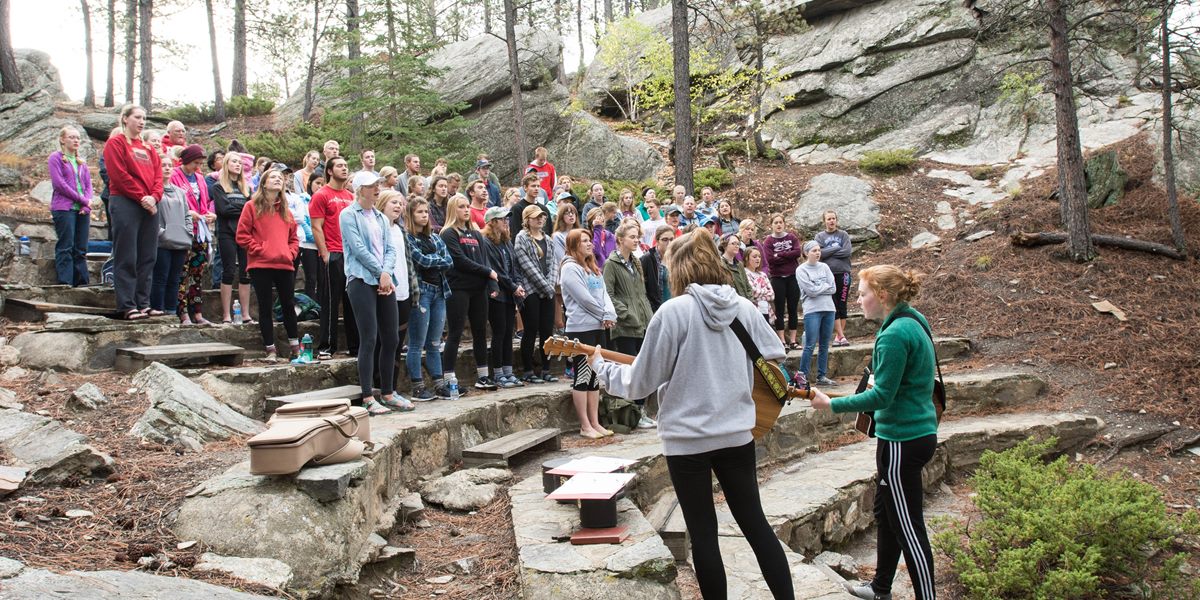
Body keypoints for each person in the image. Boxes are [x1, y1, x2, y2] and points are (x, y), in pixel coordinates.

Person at [588, 229, 794, 600]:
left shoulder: (673, 312)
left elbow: (638, 384)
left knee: (703, 533)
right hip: (736, 434)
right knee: (756, 526)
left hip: (686, 442)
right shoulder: (744, 308)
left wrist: (602, 368)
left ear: (678, 271)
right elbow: (774, 353)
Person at [809, 266, 938, 600]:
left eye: (863, 293)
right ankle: (881, 588)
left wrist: (831, 403)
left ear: (882, 296)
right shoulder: (913, 320)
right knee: (886, 511)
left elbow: (882, 396)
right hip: (912, 434)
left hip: (902, 441)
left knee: (908, 527)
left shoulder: (894, 335)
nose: (858, 299)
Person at [339, 172, 406, 415]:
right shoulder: (348, 215)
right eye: (371, 186)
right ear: (359, 190)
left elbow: (389, 249)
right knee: (369, 338)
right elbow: (357, 249)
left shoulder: (379, 216)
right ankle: (368, 396)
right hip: (361, 280)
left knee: (391, 338)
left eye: (377, 184)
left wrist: (386, 273)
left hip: (384, 279)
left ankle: (388, 392)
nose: (377, 189)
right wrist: (381, 274)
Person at [103, 105, 163, 320]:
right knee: (127, 254)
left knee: (148, 256)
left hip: (149, 205)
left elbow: (158, 177)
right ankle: (127, 305)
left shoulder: (149, 148)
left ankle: (143, 303)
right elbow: (119, 175)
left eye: (144, 118)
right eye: (137, 117)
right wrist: (141, 197)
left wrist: (154, 197)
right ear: (125, 119)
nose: (142, 121)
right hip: (125, 202)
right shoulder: (115, 143)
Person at [235, 169, 301, 362]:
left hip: (284, 264)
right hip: (260, 264)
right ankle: (270, 350)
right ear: (263, 183)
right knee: (265, 307)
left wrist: (290, 253)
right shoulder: (251, 206)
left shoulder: (286, 211)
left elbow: (294, 238)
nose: (278, 180)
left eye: (280, 178)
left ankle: (296, 349)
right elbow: (242, 235)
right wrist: (260, 250)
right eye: (273, 177)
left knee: (289, 305)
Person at [560, 229, 616, 439]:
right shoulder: (570, 268)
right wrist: (603, 314)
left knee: (594, 376)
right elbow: (583, 299)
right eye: (583, 241)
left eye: (588, 240)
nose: (589, 244)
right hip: (580, 328)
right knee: (582, 376)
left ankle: (595, 422)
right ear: (573, 245)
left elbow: (603, 294)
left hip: (599, 326)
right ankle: (584, 425)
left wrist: (610, 314)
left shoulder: (593, 267)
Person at [441, 194, 498, 393]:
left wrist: (492, 283)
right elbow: (459, 260)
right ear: (452, 210)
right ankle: (448, 377)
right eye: (461, 207)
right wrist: (487, 272)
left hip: (479, 289)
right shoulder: (448, 233)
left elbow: (484, 260)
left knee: (481, 332)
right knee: (455, 332)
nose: (466, 210)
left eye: (467, 206)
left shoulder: (475, 233)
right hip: (459, 288)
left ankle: (483, 376)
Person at [603, 221, 656, 429]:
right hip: (625, 326)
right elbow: (608, 294)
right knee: (629, 368)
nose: (636, 240)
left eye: (637, 237)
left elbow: (640, 293)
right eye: (632, 237)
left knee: (642, 368)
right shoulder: (611, 264)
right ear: (620, 239)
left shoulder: (636, 262)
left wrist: (647, 316)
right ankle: (631, 411)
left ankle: (641, 411)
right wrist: (626, 314)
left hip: (643, 323)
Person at [404, 198, 453, 402]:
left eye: (426, 212)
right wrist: (436, 261)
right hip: (421, 292)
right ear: (411, 215)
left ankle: (439, 384)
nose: (424, 215)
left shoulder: (434, 237)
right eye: (419, 212)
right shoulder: (407, 237)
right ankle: (417, 386)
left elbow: (449, 261)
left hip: (439, 292)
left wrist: (434, 261)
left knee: (434, 342)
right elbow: (420, 260)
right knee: (416, 343)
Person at [310, 156, 359, 358]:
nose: (344, 168)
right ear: (329, 171)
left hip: (351, 255)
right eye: (339, 166)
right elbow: (316, 226)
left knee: (353, 301)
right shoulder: (322, 195)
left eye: (346, 166)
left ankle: (355, 346)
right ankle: (327, 346)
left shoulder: (351, 196)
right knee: (331, 300)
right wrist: (325, 254)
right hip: (333, 253)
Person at [481, 206, 525, 389]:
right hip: (496, 294)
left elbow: (514, 267)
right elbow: (496, 271)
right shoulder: (486, 242)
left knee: (508, 333)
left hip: (509, 295)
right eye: (501, 219)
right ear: (492, 222)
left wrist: (518, 284)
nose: (506, 222)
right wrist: (514, 286)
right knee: (499, 333)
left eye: (507, 219)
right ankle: (498, 373)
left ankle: (508, 371)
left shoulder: (507, 242)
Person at [380, 189, 417, 396]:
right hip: (387, 290)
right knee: (386, 340)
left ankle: (392, 387)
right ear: (382, 204)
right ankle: (382, 386)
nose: (398, 206)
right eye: (393, 202)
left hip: (404, 290)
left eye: (400, 203)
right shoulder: (379, 227)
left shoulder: (401, 230)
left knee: (398, 342)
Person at [515, 205, 558, 384]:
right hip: (530, 289)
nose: (539, 219)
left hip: (547, 290)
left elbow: (554, 264)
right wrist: (546, 287)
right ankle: (528, 370)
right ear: (527, 220)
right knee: (531, 330)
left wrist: (550, 285)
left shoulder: (548, 239)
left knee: (547, 331)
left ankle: (546, 369)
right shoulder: (521, 238)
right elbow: (527, 267)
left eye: (541, 217)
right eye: (535, 217)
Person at [211, 151, 255, 324]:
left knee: (246, 272)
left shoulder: (247, 188)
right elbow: (223, 210)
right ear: (226, 164)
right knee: (228, 270)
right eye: (234, 161)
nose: (237, 164)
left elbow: (252, 209)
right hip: (226, 232)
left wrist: (240, 209)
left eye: (240, 162)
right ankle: (226, 315)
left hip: (245, 233)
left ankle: (245, 314)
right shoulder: (218, 187)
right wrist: (243, 209)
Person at [48, 126, 93, 287]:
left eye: (78, 138)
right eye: (72, 137)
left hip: (82, 209)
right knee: (66, 245)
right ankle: (65, 282)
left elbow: (88, 186)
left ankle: (81, 282)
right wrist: (82, 199)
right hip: (63, 208)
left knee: (81, 247)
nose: (76, 141)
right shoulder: (56, 158)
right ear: (62, 140)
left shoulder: (82, 163)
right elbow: (60, 184)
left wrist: (87, 204)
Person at [149, 162, 191, 316]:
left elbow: (187, 213)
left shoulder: (180, 192)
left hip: (180, 241)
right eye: (163, 165)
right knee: (161, 276)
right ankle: (158, 309)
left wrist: (188, 232)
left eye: (169, 165)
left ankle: (172, 311)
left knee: (175, 278)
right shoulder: (154, 191)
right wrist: (161, 232)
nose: (167, 168)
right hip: (162, 241)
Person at [797, 240, 838, 387]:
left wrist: (819, 287)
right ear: (806, 253)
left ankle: (822, 376)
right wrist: (823, 286)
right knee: (810, 344)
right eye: (814, 250)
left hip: (829, 308)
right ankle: (802, 376)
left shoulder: (825, 267)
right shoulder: (801, 270)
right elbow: (810, 291)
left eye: (819, 250)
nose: (817, 253)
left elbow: (833, 288)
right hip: (812, 310)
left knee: (825, 344)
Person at [762, 214, 803, 349]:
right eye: (775, 222)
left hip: (792, 277)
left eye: (780, 222)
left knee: (793, 309)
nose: (778, 225)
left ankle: (792, 340)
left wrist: (779, 254)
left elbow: (797, 252)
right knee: (779, 309)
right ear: (771, 225)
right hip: (777, 278)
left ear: (784, 223)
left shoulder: (791, 237)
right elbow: (770, 259)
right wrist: (788, 255)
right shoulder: (768, 241)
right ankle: (782, 341)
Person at [816, 210, 854, 347]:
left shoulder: (843, 235)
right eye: (828, 219)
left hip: (843, 273)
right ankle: (841, 336)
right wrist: (836, 248)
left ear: (836, 220)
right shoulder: (820, 236)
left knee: (842, 303)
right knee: (833, 304)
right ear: (824, 221)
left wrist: (829, 252)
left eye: (833, 218)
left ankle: (840, 337)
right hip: (828, 275)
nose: (831, 221)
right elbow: (820, 254)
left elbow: (847, 251)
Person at [551, 203, 582, 332]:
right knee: (560, 299)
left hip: (581, 270)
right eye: (567, 213)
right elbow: (560, 256)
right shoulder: (558, 236)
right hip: (565, 271)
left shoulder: (580, 233)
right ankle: (560, 326)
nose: (571, 215)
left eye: (573, 213)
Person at [640, 226, 674, 312]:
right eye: (665, 240)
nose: (669, 243)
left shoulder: (676, 258)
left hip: (673, 307)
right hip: (656, 309)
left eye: (671, 239)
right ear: (657, 241)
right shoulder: (647, 259)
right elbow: (641, 288)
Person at [718, 233, 753, 301]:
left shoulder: (740, 264)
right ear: (725, 246)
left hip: (746, 304)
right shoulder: (720, 265)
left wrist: (749, 301)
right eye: (733, 243)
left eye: (738, 244)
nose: (737, 246)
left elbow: (747, 286)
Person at [744, 246, 774, 326]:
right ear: (747, 258)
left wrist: (759, 294)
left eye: (759, 256)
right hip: (753, 311)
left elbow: (772, 295)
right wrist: (765, 292)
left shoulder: (763, 275)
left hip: (765, 310)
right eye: (754, 257)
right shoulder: (744, 273)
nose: (758, 259)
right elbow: (752, 292)